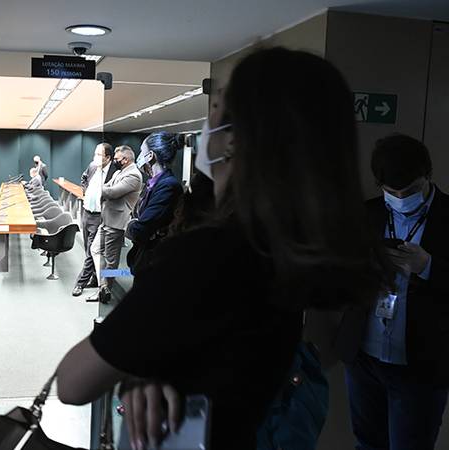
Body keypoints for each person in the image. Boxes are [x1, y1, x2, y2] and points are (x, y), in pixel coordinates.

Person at [55, 47, 386, 450]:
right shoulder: (300, 247)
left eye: (218, 107)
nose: (207, 118)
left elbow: (73, 382)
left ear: (234, 139)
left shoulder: (209, 254)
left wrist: (142, 365)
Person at [335, 134, 449, 450]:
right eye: (391, 191)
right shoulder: (367, 214)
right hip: (364, 359)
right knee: (366, 444)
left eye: (409, 191)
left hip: (421, 365)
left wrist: (428, 266)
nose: (400, 198)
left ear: (427, 175)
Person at [86, 145, 142, 302]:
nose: (115, 162)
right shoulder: (119, 172)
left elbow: (112, 192)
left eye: (117, 159)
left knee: (111, 261)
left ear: (125, 159)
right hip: (106, 219)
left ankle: (105, 290)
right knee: (95, 249)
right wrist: (103, 188)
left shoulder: (134, 175)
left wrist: (98, 187)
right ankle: (103, 284)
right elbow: (108, 187)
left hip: (117, 223)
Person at [125, 132, 184, 273]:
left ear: (150, 156)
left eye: (142, 151)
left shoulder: (168, 186)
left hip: (155, 261)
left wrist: (131, 225)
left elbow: (140, 230)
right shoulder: (153, 183)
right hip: (144, 256)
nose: (139, 156)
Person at [73, 143, 117, 297]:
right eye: (95, 154)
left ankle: (80, 283)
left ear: (108, 157)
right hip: (86, 213)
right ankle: (93, 278)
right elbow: (84, 177)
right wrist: (86, 191)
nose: (95, 157)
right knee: (88, 249)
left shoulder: (114, 172)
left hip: (100, 216)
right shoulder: (92, 166)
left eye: (99, 155)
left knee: (92, 249)